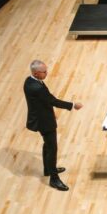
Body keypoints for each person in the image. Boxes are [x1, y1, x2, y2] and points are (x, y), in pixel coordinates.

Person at [24, 60, 83, 191]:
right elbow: (52, 100)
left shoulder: (29, 81)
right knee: (52, 148)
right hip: (44, 121)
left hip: (42, 116)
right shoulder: (37, 87)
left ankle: (47, 169)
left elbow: (43, 101)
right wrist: (73, 105)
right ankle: (54, 179)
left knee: (48, 145)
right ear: (36, 73)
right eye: (44, 72)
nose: (47, 73)